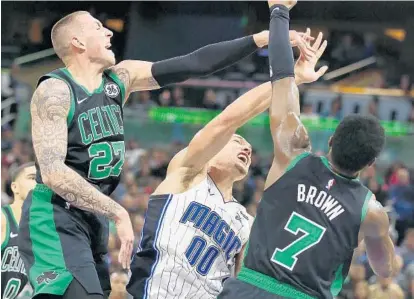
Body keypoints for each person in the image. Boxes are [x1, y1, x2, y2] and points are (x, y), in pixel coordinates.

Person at [18, 10, 314, 299]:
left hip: (93, 218)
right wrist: (118, 211)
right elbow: (54, 173)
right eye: (97, 27)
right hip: (55, 212)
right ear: (77, 42)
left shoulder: (121, 78)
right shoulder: (55, 90)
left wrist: (261, 39)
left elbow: (193, 64)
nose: (109, 31)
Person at [219, 1, 399, 299]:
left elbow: (282, 80)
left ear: (331, 140)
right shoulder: (371, 211)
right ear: (371, 164)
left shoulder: (292, 155)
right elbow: (385, 269)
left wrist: (279, 12)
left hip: (248, 287)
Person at [127, 29, 319, 299]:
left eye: (248, 147)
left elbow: (241, 285)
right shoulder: (188, 176)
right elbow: (228, 120)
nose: (247, 147)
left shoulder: (246, 223)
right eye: (237, 141)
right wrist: (292, 78)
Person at [1, 162, 36, 299]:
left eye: (41, 180)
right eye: (32, 178)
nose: (39, 184)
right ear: (15, 187)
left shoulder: (43, 231)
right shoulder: (3, 218)